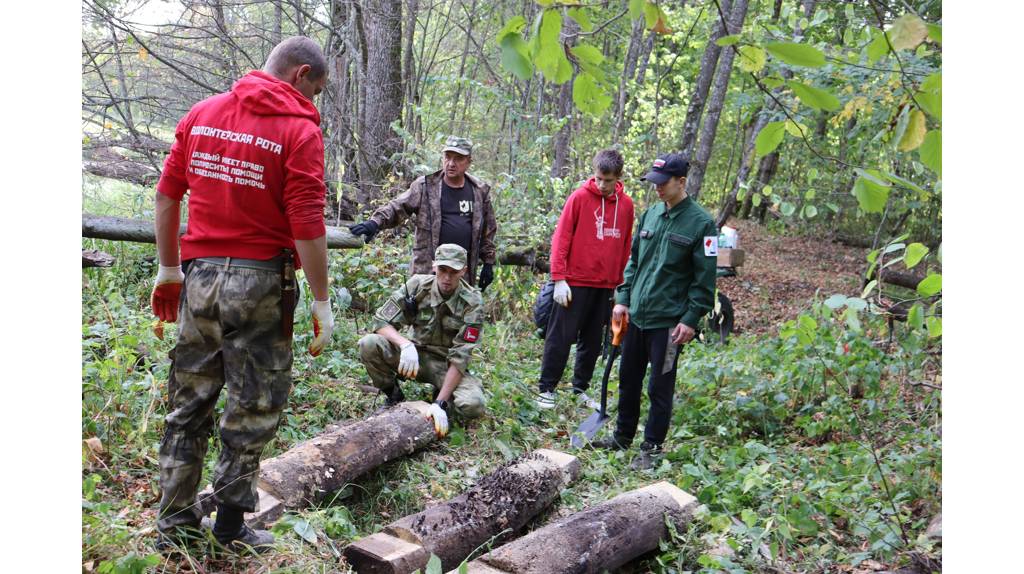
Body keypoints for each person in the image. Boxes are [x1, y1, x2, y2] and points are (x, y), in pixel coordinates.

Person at [149, 36, 334, 553]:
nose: (314, 100)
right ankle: (230, 528)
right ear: (300, 75)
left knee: (188, 404)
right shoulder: (299, 131)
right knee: (251, 407)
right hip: (260, 283)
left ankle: (174, 529)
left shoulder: (202, 113)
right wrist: (320, 300)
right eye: (316, 89)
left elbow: (167, 194)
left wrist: (169, 269)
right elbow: (305, 220)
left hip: (200, 277)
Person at [591, 153, 718, 471]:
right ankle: (622, 437)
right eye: (653, 183)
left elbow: (705, 281)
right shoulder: (649, 216)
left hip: (669, 324)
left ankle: (652, 447)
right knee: (628, 379)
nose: (657, 188)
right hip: (637, 317)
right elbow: (633, 262)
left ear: (681, 182)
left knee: (660, 386)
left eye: (663, 183)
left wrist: (691, 319)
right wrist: (622, 298)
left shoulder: (703, 224)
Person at [535, 149, 635, 410]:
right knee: (560, 335)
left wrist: (620, 285)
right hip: (575, 281)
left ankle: (580, 388)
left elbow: (625, 247)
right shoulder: (579, 198)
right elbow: (561, 238)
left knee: (592, 340)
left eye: (608, 181)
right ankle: (547, 388)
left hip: (606, 285)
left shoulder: (626, 205)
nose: (602, 185)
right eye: (599, 179)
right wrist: (558, 278)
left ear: (618, 178)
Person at [358, 244, 486, 436]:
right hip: (412, 357)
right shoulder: (417, 286)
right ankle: (393, 396)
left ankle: (442, 398)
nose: (447, 278)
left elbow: (461, 356)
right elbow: (380, 321)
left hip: (444, 365)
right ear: (434, 266)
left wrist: (439, 403)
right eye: (443, 270)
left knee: (474, 404)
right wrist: (405, 344)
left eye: (454, 272)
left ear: (464, 271)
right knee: (368, 343)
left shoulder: (472, 302)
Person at [348, 136, 498, 290]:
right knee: (420, 311)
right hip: (426, 271)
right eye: (447, 157)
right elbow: (398, 206)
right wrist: (374, 223)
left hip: (460, 273)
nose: (451, 163)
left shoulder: (479, 192)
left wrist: (488, 263)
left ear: (468, 161)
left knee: (457, 312)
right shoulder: (426, 186)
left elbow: (488, 230)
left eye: (458, 158)